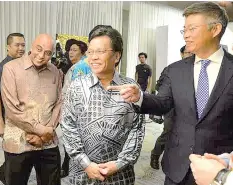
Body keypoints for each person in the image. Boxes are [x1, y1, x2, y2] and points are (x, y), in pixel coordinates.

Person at [108, 2, 232, 185]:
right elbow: (163, 103)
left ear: (215, 29)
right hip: (178, 166)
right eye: (184, 30)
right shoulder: (174, 71)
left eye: (192, 28)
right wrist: (140, 97)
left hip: (219, 168)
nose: (186, 35)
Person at [61, 25, 145, 185]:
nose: (93, 57)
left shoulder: (130, 87)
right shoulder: (77, 86)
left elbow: (137, 129)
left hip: (120, 175)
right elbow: (67, 126)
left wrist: (119, 163)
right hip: (82, 174)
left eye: (100, 52)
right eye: (90, 52)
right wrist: (85, 163)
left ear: (117, 55)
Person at [1, 34, 63, 185]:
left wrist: (48, 131)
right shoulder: (11, 69)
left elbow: (60, 103)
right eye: (38, 49)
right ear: (31, 46)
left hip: (48, 142)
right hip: (19, 143)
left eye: (48, 53)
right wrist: (42, 131)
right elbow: (12, 110)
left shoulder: (56, 72)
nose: (42, 56)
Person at [150, 45, 193, 170]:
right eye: (187, 53)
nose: (190, 55)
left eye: (192, 53)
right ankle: (155, 154)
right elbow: (159, 87)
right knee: (168, 132)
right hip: (171, 108)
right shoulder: (172, 69)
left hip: (188, 110)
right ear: (182, 54)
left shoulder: (197, 69)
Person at [0, 33, 25, 184]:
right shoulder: (3, 67)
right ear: (8, 47)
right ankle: (5, 176)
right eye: (17, 45)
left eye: (23, 45)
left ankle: (3, 173)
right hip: (9, 121)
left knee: (19, 154)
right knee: (12, 155)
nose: (21, 48)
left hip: (20, 119)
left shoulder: (20, 64)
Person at [60, 39, 88, 178]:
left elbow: (77, 93)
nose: (70, 52)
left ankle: (69, 168)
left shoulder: (80, 67)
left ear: (82, 53)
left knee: (72, 141)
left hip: (76, 113)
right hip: (77, 112)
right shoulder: (79, 66)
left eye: (74, 50)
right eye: (70, 50)